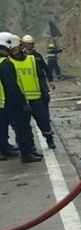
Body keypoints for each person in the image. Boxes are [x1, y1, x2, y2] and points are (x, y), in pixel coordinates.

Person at [0, 32, 42, 163]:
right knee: (22, 127)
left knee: (2, 127)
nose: (15, 49)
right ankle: (26, 153)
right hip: (11, 102)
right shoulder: (6, 64)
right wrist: (23, 103)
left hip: (3, 102)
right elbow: (12, 85)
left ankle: (4, 149)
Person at [9, 35, 55, 150]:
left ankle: (49, 140)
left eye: (15, 47)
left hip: (37, 97)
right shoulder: (8, 62)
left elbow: (41, 74)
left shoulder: (33, 58)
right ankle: (29, 145)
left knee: (43, 120)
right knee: (22, 125)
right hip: (20, 100)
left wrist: (47, 87)